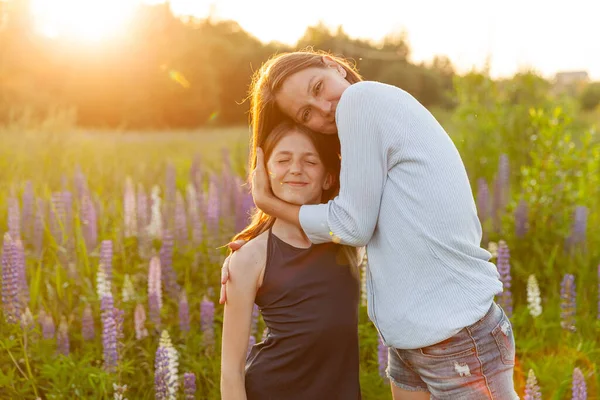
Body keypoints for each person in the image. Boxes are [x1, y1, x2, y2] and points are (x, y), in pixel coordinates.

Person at [220, 50, 519, 400]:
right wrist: (258, 249)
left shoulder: (361, 99)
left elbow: (351, 227)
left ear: (332, 64)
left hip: (456, 333)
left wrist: (268, 203)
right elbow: (355, 231)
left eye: (318, 87)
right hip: (410, 342)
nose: (324, 110)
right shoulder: (367, 128)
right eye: (306, 113)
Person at [220, 120, 362, 400]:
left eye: (310, 161)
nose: (296, 169)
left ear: (328, 178)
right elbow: (230, 372)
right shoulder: (251, 256)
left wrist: (264, 199)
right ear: (265, 173)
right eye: (283, 159)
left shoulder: (345, 238)